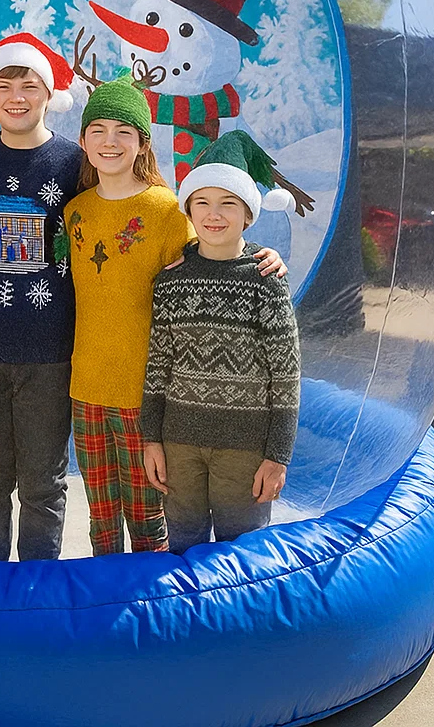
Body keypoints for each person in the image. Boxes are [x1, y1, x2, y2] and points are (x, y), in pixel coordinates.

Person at [65, 78, 286, 556]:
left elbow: (212, 255)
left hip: (145, 395)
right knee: (101, 519)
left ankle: (151, 619)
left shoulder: (167, 210)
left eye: (124, 131)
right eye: (97, 130)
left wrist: (263, 259)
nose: (109, 141)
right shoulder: (76, 211)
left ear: (144, 142)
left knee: (148, 523)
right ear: (82, 141)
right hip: (86, 387)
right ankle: (110, 618)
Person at [0, 32, 81, 562]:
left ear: (48, 93)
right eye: (4, 84)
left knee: (43, 485)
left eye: (29, 84)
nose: (17, 95)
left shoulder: (77, 165)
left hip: (51, 351)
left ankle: (36, 593)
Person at [141, 131, 301, 553]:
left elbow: (285, 376)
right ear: (189, 210)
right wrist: (152, 439)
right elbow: (158, 368)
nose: (214, 214)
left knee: (243, 557)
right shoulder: (172, 281)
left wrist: (278, 455)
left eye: (228, 203)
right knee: (182, 547)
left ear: (248, 213)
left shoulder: (265, 280)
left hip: (245, 451)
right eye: (202, 203)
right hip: (179, 447)